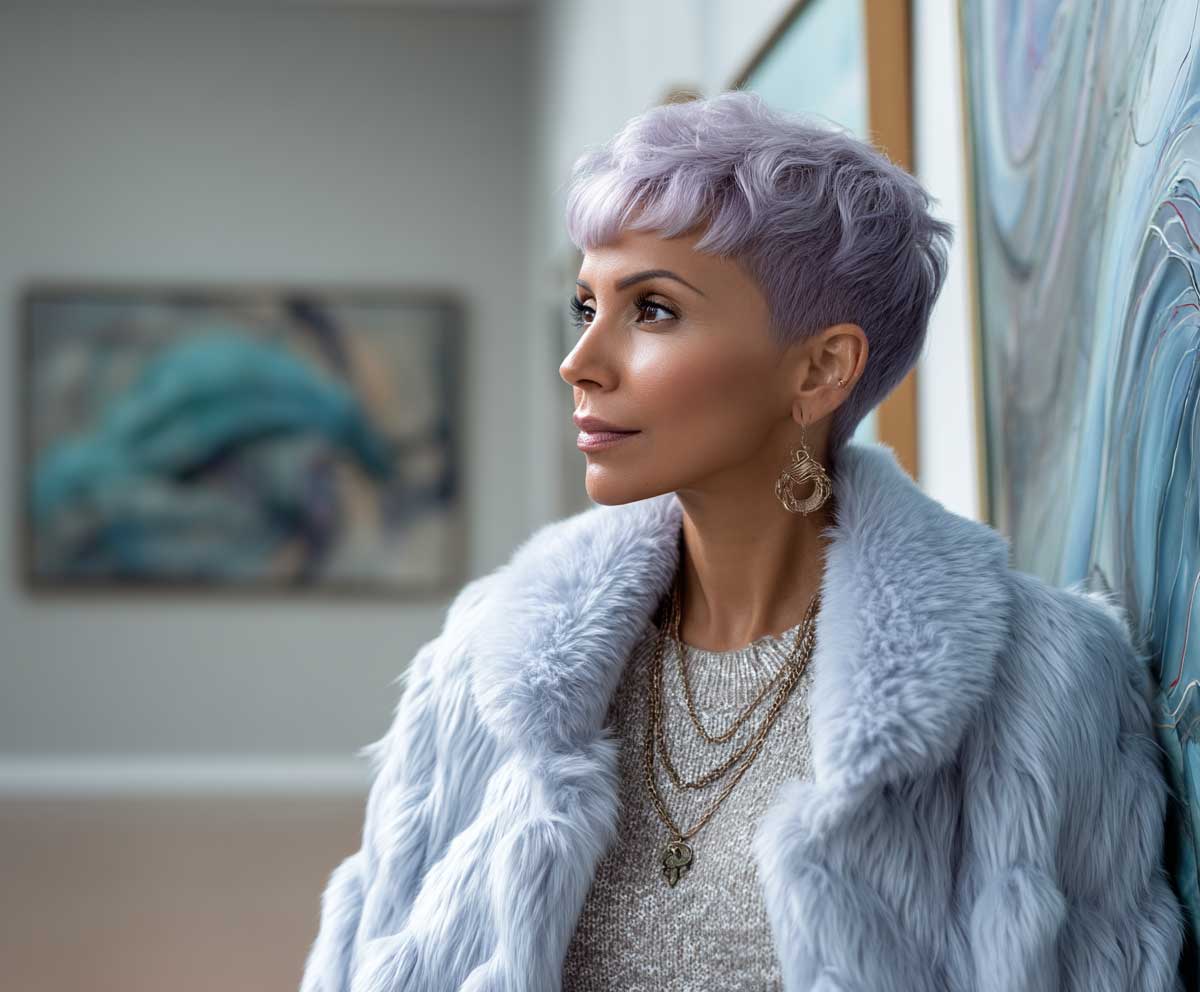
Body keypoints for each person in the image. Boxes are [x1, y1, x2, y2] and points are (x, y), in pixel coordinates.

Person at [299, 91, 1185, 992]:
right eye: (586, 306)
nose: (581, 361)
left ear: (820, 368)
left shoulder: (1037, 682)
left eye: (651, 310)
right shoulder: (487, 664)